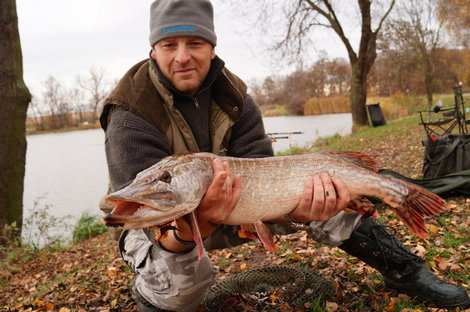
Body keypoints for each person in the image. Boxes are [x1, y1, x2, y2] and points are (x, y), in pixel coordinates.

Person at [99, 0, 470, 310]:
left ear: (211, 48)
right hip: (159, 222)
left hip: (248, 207)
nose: (183, 57)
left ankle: (404, 271)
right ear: (153, 50)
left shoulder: (237, 101)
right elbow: (149, 222)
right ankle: (154, 296)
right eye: (169, 45)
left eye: (194, 43)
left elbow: (268, 178)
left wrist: (298, 210)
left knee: (329, 194)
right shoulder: (130, 115)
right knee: (180, 290)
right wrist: (200, 220)